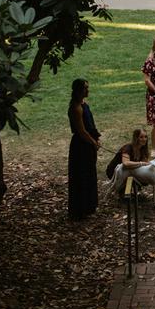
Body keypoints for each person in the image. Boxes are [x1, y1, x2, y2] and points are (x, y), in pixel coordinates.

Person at [68, 78, 101, 219]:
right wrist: (93, 142)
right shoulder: (76, 108)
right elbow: (81, 131)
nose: (88, 90)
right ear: (79, 91)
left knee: (90, 175)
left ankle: (89, 206)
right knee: (81, 176)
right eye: (85, 88)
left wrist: (96, 137)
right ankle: (80, 209)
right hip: (81, 146)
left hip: (88, 143)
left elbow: (90, 124)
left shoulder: (83, 104)